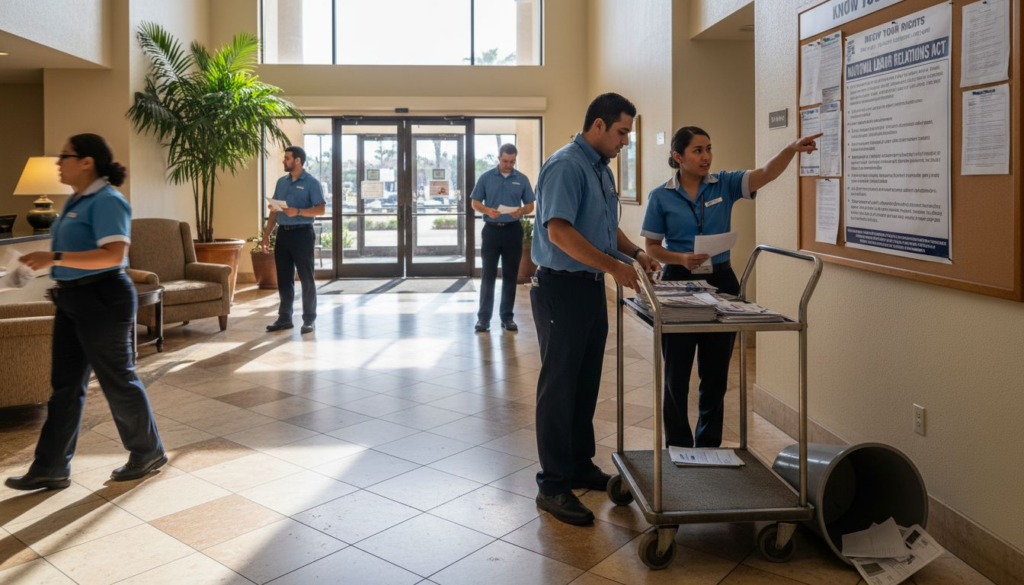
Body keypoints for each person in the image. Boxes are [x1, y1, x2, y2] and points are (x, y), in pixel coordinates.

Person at [641, 126, 820, 448]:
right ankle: (679, 446)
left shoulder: (724, 183)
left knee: (715, 373)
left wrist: (791, 150)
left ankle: (708, 445)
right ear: (678, 156)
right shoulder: (661, 196)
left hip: (721, 281)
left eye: (708, 148)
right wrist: (680, 258)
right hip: (678, 284)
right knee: (676, 374)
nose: (706, 156)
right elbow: (652, 247)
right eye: (697, 150)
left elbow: (765, 173)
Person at [6, 134, 166, 490]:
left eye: (64, 156)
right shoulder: (76, 199)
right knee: (65, 386)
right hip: (71, 299)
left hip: (104, 299)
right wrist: (39, 265)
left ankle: (148, 450)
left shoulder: (108, 201)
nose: (58, 162)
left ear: (87, 161)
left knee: (117, 378)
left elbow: (112, 255)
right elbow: (71, 254)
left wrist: (55, 258)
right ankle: (50, 467)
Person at [531, 93, 660, 526]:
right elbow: (560, 233)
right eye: (622, 132)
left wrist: (635, 255)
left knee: (585, 383)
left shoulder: (598, 170)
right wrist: (613, 268)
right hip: (561, 289)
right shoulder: (567, 165)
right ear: (599, 126)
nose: (626, 140)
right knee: (559, 386)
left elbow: (605, 228)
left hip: (587, 288)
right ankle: (552, 485)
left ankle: (579, 465)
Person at [471, 143, 535, 333]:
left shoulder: (522, 179)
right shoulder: (486, 177)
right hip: (491, 231)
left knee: (510, 276)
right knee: (488, 276)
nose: (509, 164)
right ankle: (483, 319)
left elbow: (530, 205)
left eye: (512, 161)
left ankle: (507, 317)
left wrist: (521, 211)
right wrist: (486, 210)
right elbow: (475, 202)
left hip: (512, 231)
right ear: (498, 158)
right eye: (505, 161)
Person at [262, 146, 326, 334]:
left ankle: (309, 320)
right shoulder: (281, 182)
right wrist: (266, 236)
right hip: (283, 234)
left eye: (287, 158)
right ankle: (284, 318)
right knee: (283, 278)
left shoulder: (312, 182)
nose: (284, 161)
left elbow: (320, 209)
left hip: (302, 234)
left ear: (297, 161)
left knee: (306, 279)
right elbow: (274, 213)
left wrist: (298, 211)